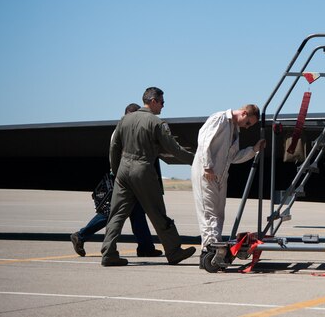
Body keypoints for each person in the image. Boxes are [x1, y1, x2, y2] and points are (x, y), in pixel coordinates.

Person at [101, 87, 196, 266]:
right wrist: (196, 160)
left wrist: (116, 171)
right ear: (153, 101)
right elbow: (173, 149)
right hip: (142, 169)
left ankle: (108, 253)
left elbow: (114, 147)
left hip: (123, 170)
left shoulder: (125, 119)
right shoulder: (156, 122)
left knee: (117, 214)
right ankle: (174, 251)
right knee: (157, 212)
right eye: (162, 102)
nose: (163, 106)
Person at [70, 103, 162, 258]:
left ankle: (146, 247)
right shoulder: (122, 131)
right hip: (123, 180)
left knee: (137, 213)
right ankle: (81, 235)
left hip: (127, 178)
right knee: (112, 213)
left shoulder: (125, 130)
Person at [191, 105, 266, 260]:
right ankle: (209, 250)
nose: (246, 127)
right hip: (207, 173)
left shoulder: (234, 130)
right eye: (247, 123)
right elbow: (204, 142)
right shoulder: (219, 119)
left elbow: (233, 157)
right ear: (244, 113)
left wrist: (254, 149)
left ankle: (215, 248)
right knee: (209, 213)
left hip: (220, 175)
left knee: (219, 214)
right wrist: (207, 166)